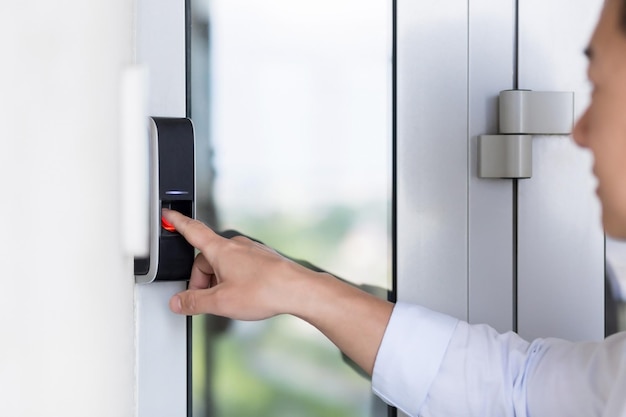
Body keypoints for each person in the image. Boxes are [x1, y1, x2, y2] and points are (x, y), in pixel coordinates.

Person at [162, 0, 626, 415]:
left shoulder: (565, 269)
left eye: (598, 88)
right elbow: (512, 390)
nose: (578, 132)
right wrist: (292, 282)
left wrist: (298, 286)